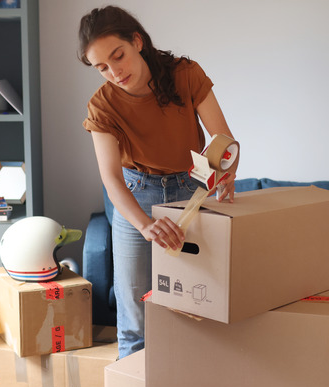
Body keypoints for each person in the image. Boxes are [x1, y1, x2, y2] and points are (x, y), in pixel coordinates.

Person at [79, 5, 237, 358]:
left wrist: (226, 169)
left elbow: (221, 138)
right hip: (137, 193)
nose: (114, 72)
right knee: (135, 317)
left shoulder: (185, 74)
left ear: (137, 41)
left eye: (118, 56)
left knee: (201, 304)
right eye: (101, 67)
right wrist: (145, 225)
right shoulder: (101, 106)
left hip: (192, 186)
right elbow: (111, 178)